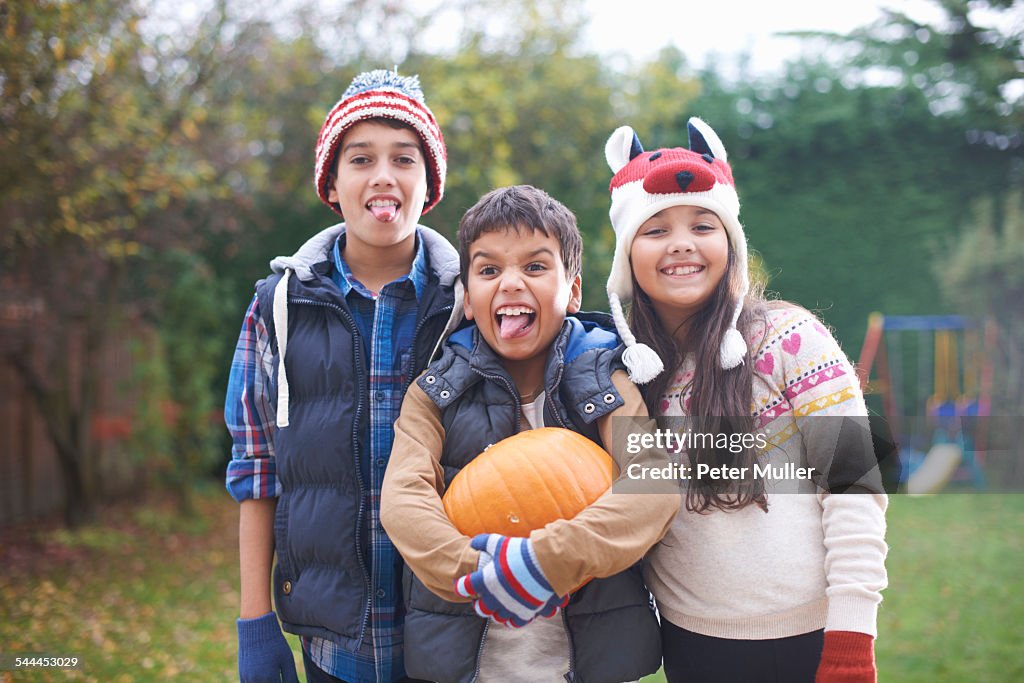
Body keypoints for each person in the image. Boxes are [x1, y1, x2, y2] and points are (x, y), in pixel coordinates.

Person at [601, 118, 889, 683]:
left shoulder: (792, 339)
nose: (681, 242)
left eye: (702, 225)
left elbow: (856, 485)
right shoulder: (623, 373)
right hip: (687, 644)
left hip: (812, 640)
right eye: (654, 229)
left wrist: (852, 637)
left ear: (731, 244)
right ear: (626, 254)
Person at [379, 185, 680, 683]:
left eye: (536, 267)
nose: (512, 283)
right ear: (469, 298)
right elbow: (404, 501)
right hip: (467, 668)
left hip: (592, 666)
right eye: (489, 269)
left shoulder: (607, 381)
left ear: (574, 290)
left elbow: (653, 483)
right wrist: (485, 572)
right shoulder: (433, 393)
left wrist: (542, 562)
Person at [224, 68, 461, 683]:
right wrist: (255, 623)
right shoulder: (278, 307)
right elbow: (256, 468)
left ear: (427, 181)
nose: (383, 175)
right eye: (361, 159)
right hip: (337, 645)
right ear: (333, 182)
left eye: (404, 158)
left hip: (458, 634)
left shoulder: (470, 304)